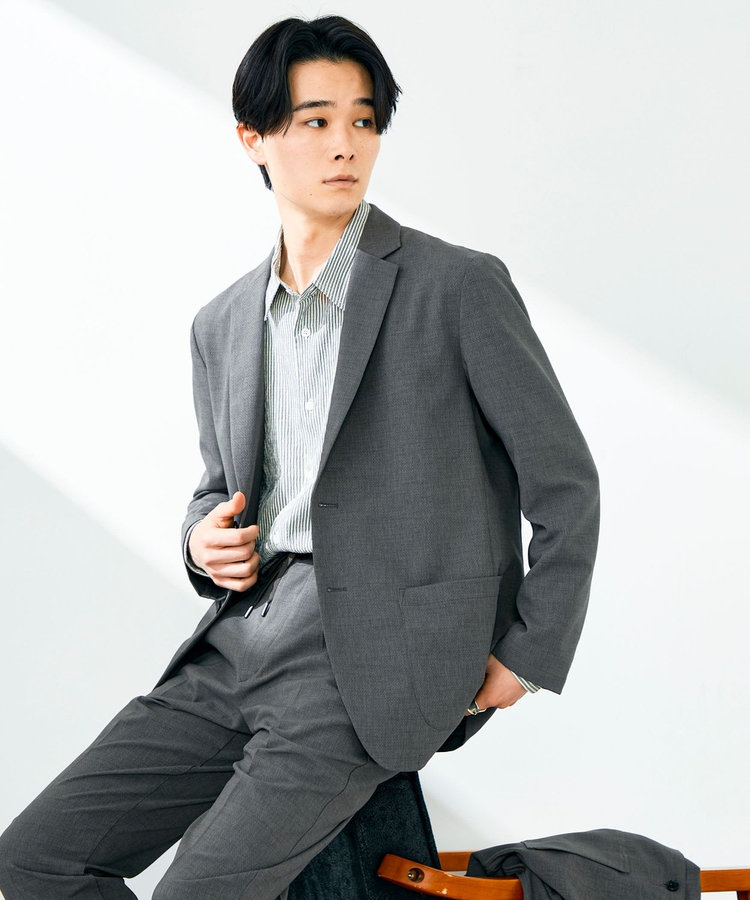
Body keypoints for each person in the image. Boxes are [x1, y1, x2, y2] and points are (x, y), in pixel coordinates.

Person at [0, 14, 599, 900]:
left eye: (364, 120)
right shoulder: (222, 324)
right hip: (238, 640)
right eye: (315, 120)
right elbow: (219, 485)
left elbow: (565, 483)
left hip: (371, 664)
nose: (345, 144)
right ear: (254, 138)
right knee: (34, 860)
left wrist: (528, 654)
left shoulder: (456, 287)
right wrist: (200, 540)